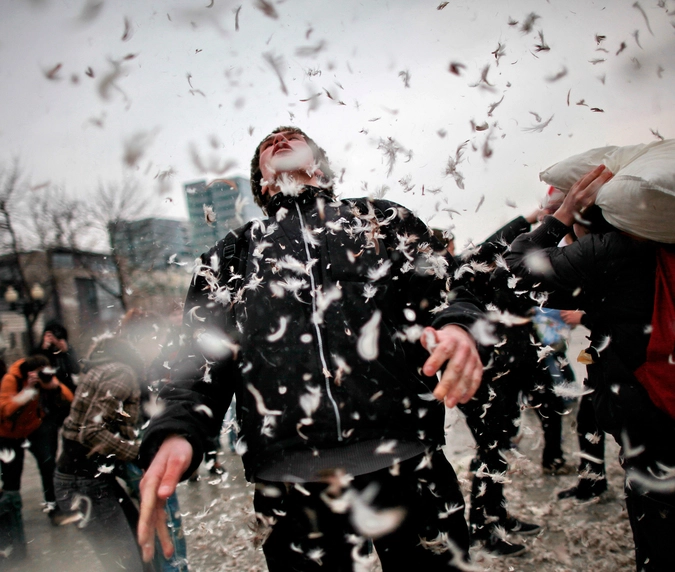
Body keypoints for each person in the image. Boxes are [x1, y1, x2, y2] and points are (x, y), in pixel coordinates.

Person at [137, 126, 485, 571]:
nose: (279, 140)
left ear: (319, 163)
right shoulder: (232, 254)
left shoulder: (381, 221)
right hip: (291, 483)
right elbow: (196, 358)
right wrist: (176, 429)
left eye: (293, 137)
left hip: (406, 462)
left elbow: (450, 288)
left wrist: (456, 326)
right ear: (261, 182)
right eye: (268, 145)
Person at [503, 164, 675, 571]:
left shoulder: (611, 250)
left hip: (653, 415)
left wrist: (560, 215)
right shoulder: (654, 248)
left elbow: (515, 272)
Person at [53, 312, 166, 572]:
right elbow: (91, 431)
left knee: (137, 553)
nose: (159, 352)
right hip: (83, 480)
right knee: (127, 563)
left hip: (85, 477)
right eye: (156, 343)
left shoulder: (108, 364)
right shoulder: (122, 373)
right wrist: (140, 453)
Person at [0, 354, 73, 561]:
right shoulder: (11, 379)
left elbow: (70, 400)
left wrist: (55, 385)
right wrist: (27, 390)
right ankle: (12, 524)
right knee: (12, 480)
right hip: (8, 434)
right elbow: (5, 411)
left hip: (32, 427)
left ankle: (54, 508)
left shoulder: (46, 378)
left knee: (48, 463)